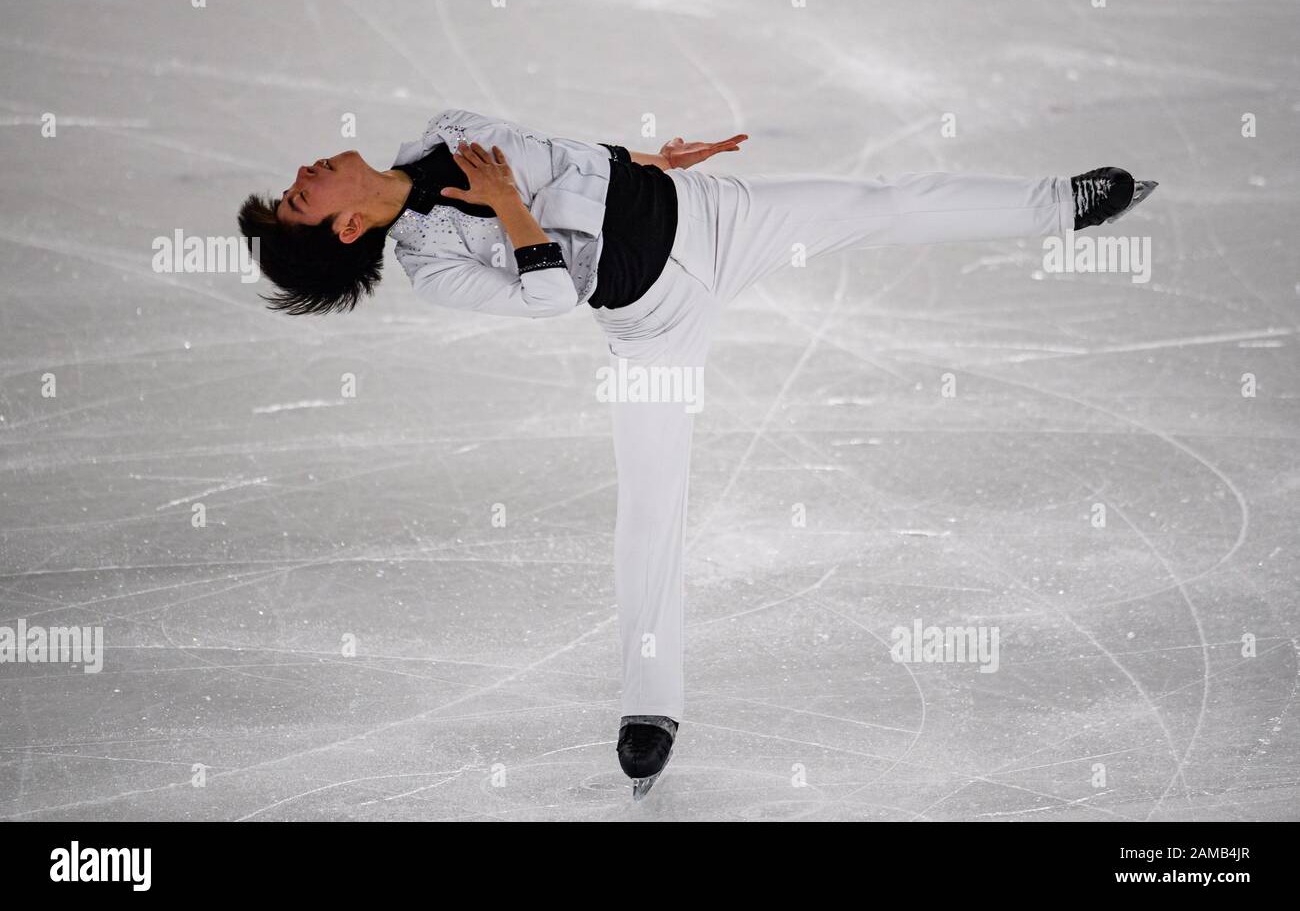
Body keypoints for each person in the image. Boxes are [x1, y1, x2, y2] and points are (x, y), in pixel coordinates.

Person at [237, 107, 1156, 799]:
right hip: (653, 323)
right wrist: (512, 206)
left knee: (880, 203)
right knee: (650, 510)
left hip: (713, 213)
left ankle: (1065, 204)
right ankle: (651, 705)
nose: (304, 175)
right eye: (297, 200)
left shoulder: (444, 129)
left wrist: (647, 160)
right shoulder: (432, 267)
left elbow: (567, 152)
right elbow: (553, 298)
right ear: (345, 231)